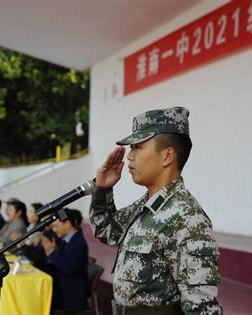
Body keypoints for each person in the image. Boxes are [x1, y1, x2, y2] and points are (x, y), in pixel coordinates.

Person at [89, 106, 223, 314]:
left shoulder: (186, 218)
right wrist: (103, 189)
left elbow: (201, 307)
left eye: (137, 148)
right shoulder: (147, 206)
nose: (129, 157)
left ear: (167, 156)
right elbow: (106, 230)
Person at [42, 208, 88, 312]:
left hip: (72, 294)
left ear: (67, 223)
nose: (53, 230)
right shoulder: (66, 240)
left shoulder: (78, 243)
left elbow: (67, 269)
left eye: (56, 226)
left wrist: (51, 252)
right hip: (63, 287)